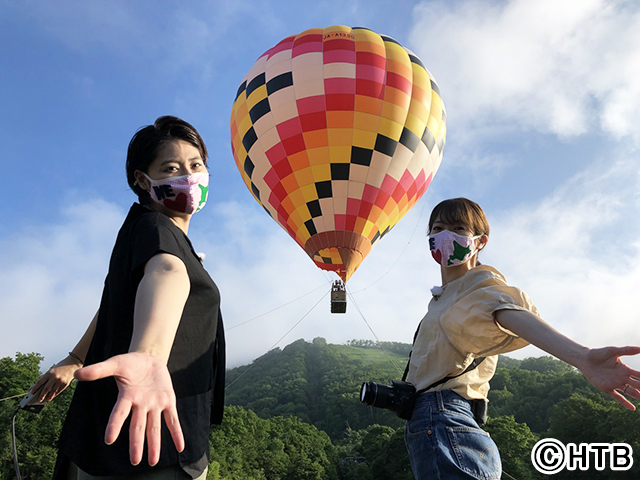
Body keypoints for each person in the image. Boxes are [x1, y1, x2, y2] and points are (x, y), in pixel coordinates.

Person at [30, 116, 225, 480]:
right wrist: (148, 358)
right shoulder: (156, 230)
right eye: (171, 168)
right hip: (151, 447)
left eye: (195, 165)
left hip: (108, 435)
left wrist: (76, 358)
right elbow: (168, 273)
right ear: (141, 179)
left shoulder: (139, 228)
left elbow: (117, 300)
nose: (188, 176)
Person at [404, 197, 640, 480]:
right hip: (438, 421)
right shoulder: (445, 297)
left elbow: (510, 314)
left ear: (480, 241)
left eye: (458, 228)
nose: (445, 236)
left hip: (444, 418)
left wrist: (581, 357)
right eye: (438, 228)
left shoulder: (480, 288)